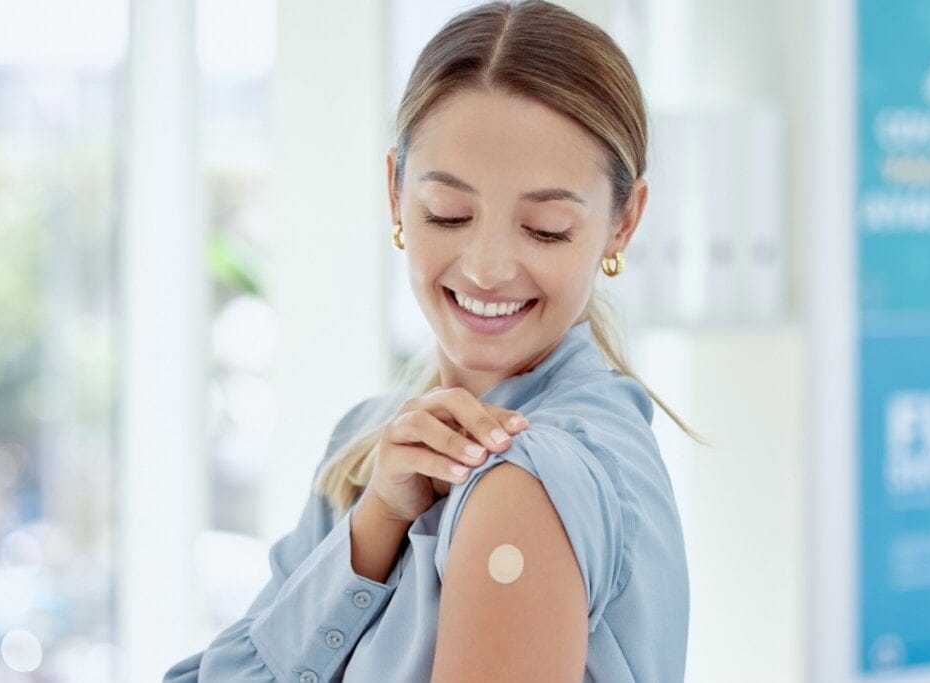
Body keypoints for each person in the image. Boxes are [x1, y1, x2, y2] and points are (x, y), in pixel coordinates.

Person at [164, 1, 708, 680]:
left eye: (544, 227)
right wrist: (375, 525)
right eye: (447, 213)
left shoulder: (527, 485)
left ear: (624, 223)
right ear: (395, 195)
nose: (486, 266)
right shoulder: (364, 449)